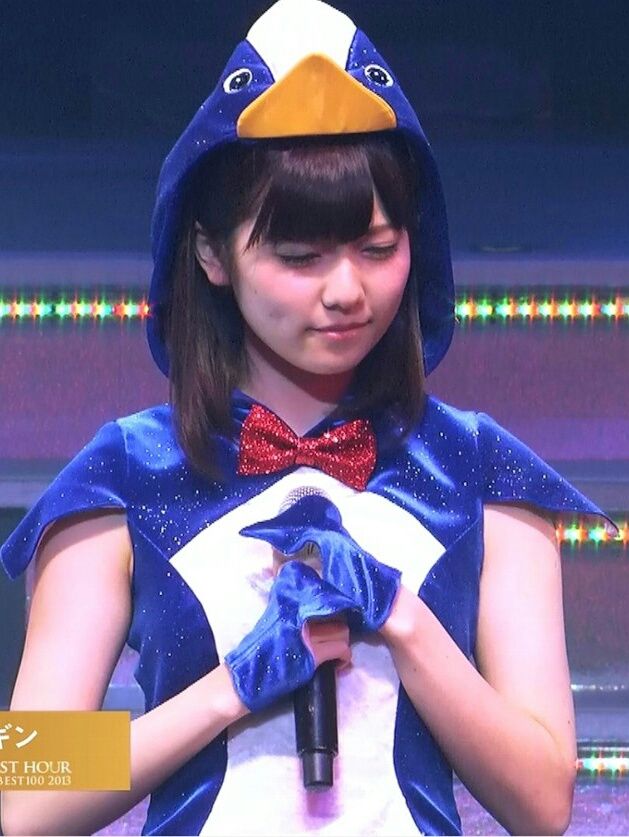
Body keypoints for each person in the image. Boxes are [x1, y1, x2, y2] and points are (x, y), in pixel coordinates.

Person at [0, 1, 616, 835]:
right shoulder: (126, 471)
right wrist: (229, 689)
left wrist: (399, 616)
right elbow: (26, 793)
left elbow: (543, 802)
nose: (346, 291)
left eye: (377, 247)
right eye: (299, 256)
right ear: (211, 252)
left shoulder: (476, 466)